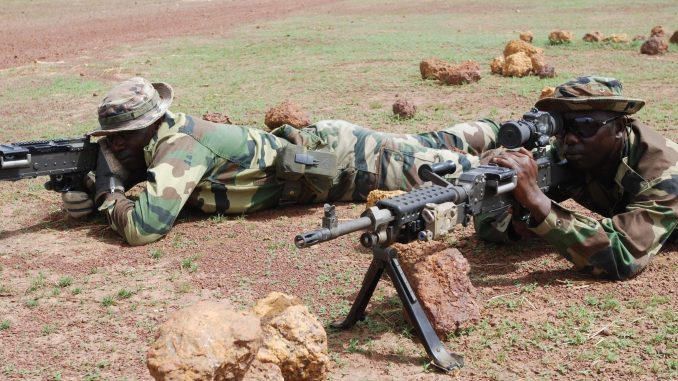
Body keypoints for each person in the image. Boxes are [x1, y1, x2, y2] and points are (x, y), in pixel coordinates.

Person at [62, 77, 499, 246]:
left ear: (151, 124)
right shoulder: (164, 141)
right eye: (110, 140)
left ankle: (516, 144)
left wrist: (107, 191)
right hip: (329, 158)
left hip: (350, 161)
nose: (116, 148)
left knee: (458, 169)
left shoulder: (180, 145)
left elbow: (142, 228)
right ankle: (493, 127)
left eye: (123, 138)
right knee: (426, 143)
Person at [485, 76, 677, 280]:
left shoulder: (664, 172)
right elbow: (490, 216)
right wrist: (513, 222)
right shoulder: (567, 154)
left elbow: (620, 255)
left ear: (619, 127)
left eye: (584, 126)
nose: (570, 138)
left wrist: (537, 201)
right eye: (562, 127)